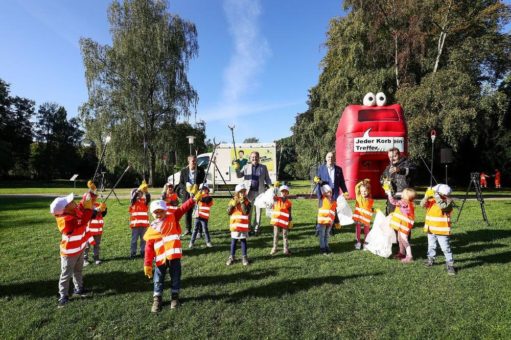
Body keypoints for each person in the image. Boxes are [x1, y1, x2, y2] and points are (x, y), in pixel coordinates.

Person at [143, 188, 201, 312]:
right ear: (152, 214)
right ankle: (157, 299)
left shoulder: (172, 217)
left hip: (174, 257)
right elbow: (148, 248)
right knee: (158, 279)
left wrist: (193, 199)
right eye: (156, 212)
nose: (159, 214)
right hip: (160, 259)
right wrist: (147, 264)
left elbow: (182, 208)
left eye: (161, 211)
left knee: (176, 277)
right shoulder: (151, 229)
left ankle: (175, 298)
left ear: (165, 210)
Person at [50, 181, 105, 308]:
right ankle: (63, 295)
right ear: (64, 209)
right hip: (69, 253)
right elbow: (83, 218)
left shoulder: (73, 212)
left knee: (78, 271)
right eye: (70, 202)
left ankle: (79, 288)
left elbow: (83, 206)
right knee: (66, 274)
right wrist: (92, 211)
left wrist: (91, 193)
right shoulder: (65, 220)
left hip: (79, 248)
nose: (74, 202)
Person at [421, 184, 456, 275]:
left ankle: (450, 264)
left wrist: (436, 195)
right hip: (431, 229)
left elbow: (443, 207)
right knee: (431, 246)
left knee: (445, 248)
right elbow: (422, 205)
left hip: (442, 231)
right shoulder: (431, 200)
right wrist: (426, 196)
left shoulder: (448, 202)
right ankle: (430, 259)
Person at [235, 151, 273, 235]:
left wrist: (271, 187)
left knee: (258, 211)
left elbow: (267, 179)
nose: (254, 158)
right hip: (249, 193)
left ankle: (256, 228)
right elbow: (239, 175)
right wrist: (237, 168)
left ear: (259, 158)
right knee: (248, 211)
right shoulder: (245, 167)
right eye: (253, 157)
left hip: (260, 193)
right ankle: (248, 228)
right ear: (250, 158)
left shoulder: (263, 167)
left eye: (256, 157)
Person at [314, 152, 348, 231]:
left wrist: (345, 191)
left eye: (332, 157)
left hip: (334, 193)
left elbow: (342, 182)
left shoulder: (339, 169)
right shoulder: (321, 168)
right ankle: (318, 228)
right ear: (326, 158)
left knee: (332, 211)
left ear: (334, 158)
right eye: (329, 157)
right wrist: (315, 180)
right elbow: (317, 178)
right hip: (324, 193)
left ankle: (330, 228)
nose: (330, 159)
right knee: (321, 210)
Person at [380, 147, 415, 214]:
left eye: (394, 156)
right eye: (390, 157)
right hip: (392, 196)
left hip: (404, 196)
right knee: (391, 216)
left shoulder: (407, 163)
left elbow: (412, 171)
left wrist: (399, 170)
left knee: (404, 216)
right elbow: (382, 178)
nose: (392, 159)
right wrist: (385, 183)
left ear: (399, 155)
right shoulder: (388, 167)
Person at [386, 187, 416, 263]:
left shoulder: (403, 202)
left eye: (403, 193)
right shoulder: (408, 202)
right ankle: (402, 253)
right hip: (402, 225)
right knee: (400, 239)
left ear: (406, 196)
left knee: (404, 240)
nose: (401, 194)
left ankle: (409, 256)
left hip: (403, 225)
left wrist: (389, 194)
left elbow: (393, 202)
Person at [177, 155, 206, 235]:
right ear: (189, 162)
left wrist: (198, 186)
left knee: (197, 212)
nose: (194, 162)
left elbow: (204, 180)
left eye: (195, 161)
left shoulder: (200, 170)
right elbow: (180, 183)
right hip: (187, 195)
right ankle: (188, 229)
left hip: (197, 194)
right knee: (187, 212)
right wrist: (187, 187)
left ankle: (199, 231)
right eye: (193, 161)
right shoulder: (184, 171)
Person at [226, 183, 252, 266]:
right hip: (234, 226)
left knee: (243, 241)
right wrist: (232, 206)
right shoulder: (232, 201)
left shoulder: (247, 202)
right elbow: (228, 212)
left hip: (243, 226)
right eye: (240, 192)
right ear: (237, 193)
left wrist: (242, 203)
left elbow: (246, 212)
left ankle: (244, 257)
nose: (242, 194)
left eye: (244, 192)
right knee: (233, 241)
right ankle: (232, 257)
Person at [129, 180, 151, 259]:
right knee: (134, 240)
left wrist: (146, 192)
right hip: (135, 225)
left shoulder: (144, 201)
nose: (139, 194)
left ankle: (143, 251)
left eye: (141, 193)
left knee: (143, 240)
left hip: (144, 225)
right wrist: (138, 190)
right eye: (138, 193)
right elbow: (133, 198)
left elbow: (148, 198)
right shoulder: (133, 202)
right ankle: (133, 252)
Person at [270, 185, 293, 255]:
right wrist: (275, 188)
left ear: (287, 193)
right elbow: (272, 195)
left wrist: (290, 221)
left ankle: (285, 249)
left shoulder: (289, 203)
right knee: (276, 235)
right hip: (276, 221)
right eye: (282, 191)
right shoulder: (276, 199)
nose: (284, 193)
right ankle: (274, 248)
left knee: (285, 235)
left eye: (285, 192)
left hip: (285, 221)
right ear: (280, 192)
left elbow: (289, 212)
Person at [189, 183, 214, 248]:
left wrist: (199, 197)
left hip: (204, 217)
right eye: (203, 189)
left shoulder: (209, 197)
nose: (204, 190)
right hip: (197, 216)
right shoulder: (198, 195)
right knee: (195, 229)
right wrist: (195, 195)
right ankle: (191, 242)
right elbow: (193, 200)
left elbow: (206, 200)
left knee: (205, 229)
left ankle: (208, 242)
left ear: (208, 190)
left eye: (205, 189)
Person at [84, 201, 107, 266]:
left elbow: (103, 214)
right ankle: (85, 259)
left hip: (98, 230)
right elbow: (89, 216)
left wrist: (104, 208)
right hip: (89, 231)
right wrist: (96, 210)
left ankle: (96, 257)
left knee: (97, 245)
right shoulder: (87, 205)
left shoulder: (98, 204)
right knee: (87, 246)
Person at [353, 179, 374, 250]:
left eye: (365, 191)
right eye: (361, 191)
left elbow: (370, 208)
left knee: (366, 231)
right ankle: (358, 242)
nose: (363, 193)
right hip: (359, 217)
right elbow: (356, 188)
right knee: (358, 230)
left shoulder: (370, 199)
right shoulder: (358, 197)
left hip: (366, 218)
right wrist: (361, 183)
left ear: (368, 191)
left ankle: (365, 243)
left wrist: (372, 210)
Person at [317, 184, 337, 255]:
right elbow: (319, 192)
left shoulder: (334, 201)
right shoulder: (321, 199)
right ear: (324, 193)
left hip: (330, 221)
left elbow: (335, 212)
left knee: (327, 235)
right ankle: (322, 248)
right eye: (327, 192)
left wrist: (336, 222)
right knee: (322, 235)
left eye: (330, 192)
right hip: (322, 221)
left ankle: (327, 246)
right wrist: (318, 184)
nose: (329, 193)